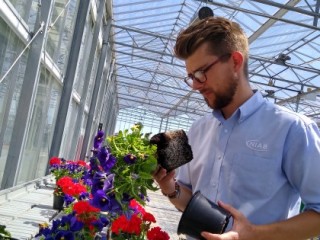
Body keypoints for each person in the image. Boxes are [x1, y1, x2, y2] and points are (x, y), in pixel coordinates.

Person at [153, 16, 320, 240]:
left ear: (235, 61)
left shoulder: (292, 128)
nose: (195, 85)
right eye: (191, 77)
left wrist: (253, 234)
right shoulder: (198, 129)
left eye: (202, 73)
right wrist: (170, 188)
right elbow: (190, 200)